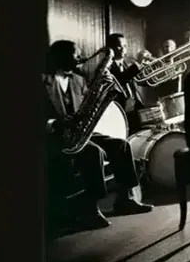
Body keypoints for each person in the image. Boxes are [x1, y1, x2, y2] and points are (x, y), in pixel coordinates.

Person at [44, 40, 153, 229]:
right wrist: (54, 123)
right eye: (75, 54)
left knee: (122, 145)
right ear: (61, 56)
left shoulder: (79, 80)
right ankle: (90, 209)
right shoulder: (40, 80)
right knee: (94, 153)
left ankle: (124, 198)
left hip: (82, 132)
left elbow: (89, 105)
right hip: (54, 136)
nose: (80, 57)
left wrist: (104, 88)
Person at [106, 33, 145, 133]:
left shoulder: (126, 65)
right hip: (120, 112)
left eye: (125, 45)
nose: (123, 49)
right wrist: (138, 63)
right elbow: (120, 80)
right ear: (111, 48)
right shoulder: (107, 67)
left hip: (134, 111)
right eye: (119, 46)